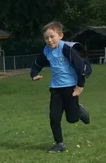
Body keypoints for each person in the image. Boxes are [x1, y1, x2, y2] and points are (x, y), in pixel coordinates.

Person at [30, 21, 91, 152]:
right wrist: (34, 74)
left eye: (52, 36)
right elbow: (37, 64)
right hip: (56, 89)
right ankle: (59, 144)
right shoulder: (46, 50)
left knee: (72, 119)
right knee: (54, 117)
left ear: (60, 36)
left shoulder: (67, 49)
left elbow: (80, 67)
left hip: (71, 88)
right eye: (46, 38)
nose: (49, 40)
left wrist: (80, 86)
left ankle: (79, 111)